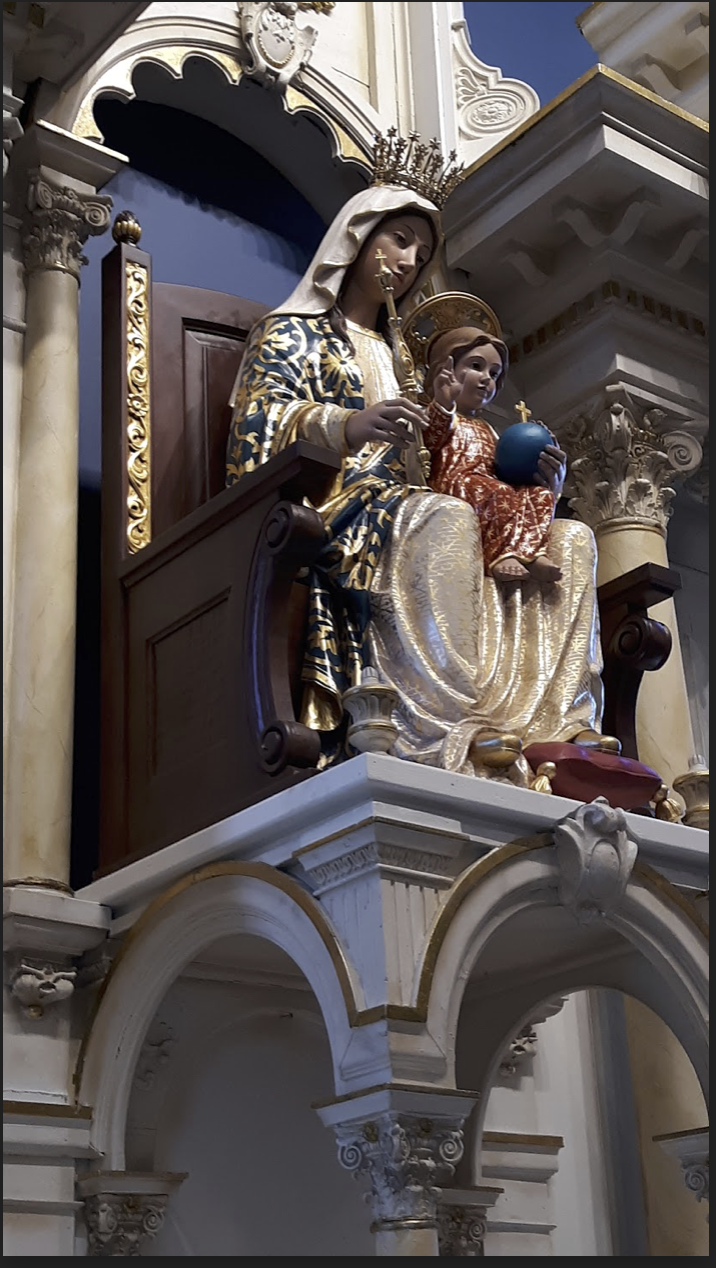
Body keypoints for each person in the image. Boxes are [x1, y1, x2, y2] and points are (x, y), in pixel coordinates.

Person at [226, 140, 614, 783]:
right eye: (399, 240)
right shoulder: (291, 332)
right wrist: (346, 425)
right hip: (342, 500)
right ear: (357, 238)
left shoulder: (409, 358)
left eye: (421, 253)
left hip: (426, 499)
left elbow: (457, 456)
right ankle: (444, 727)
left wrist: (538, 482)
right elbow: (255, 425)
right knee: (446, 519)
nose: (408, 262)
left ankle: (557, 725)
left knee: (570, 539)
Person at [421, 324, 565, 584]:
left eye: (494, 373)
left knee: (539, 495)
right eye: (476, 366)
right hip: (456, 484)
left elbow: (502, 466)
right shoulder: (444, 416)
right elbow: (427, 441)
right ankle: (500, 556)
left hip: (489, 485)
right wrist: (443, 403)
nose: (487, 378)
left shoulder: (488, 428)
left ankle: (532, 552)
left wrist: (538, 462)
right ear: (445, 369)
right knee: (497, 491)